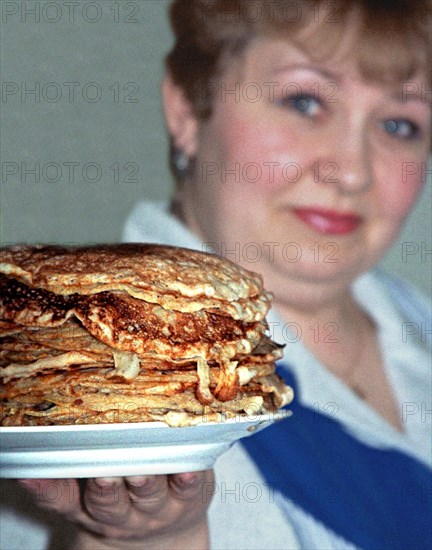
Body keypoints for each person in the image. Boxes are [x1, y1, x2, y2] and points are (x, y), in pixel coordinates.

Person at [1, 0, 431, 548]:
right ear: (185, 109)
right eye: (304, 101)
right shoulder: (54, 383)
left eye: (399, 123)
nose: (351, 170)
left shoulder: (415, 320)